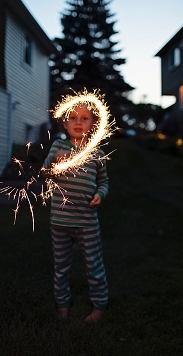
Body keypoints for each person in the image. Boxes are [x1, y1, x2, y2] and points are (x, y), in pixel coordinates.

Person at [43, 103, 109, 323]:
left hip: (87, 221)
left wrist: (101, 193)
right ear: (64, 122)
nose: (78, 122)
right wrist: (54, 163)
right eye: (72, 117)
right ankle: (62, 304)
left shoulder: (96, 152)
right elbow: (45, 173)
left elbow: (104, 181)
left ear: (92, 125)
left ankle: (99, 305)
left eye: (84, 118)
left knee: (94, 265)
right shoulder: (58, 146)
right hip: (60, 221)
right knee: (61, 266)